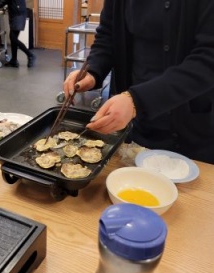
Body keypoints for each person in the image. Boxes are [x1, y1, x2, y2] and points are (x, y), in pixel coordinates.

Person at [63, 0, 214, 164]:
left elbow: (208, 59)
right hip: (135, 119)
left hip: (190, 121)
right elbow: (108, 35)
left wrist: (138, 101)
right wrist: (93, 72)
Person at [0, 0, 35, 68]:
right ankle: (14, 60)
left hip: (18, 14)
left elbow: (3, 2)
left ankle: (30, 55)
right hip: (17, 13)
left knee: (13, 37)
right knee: (13, 37)